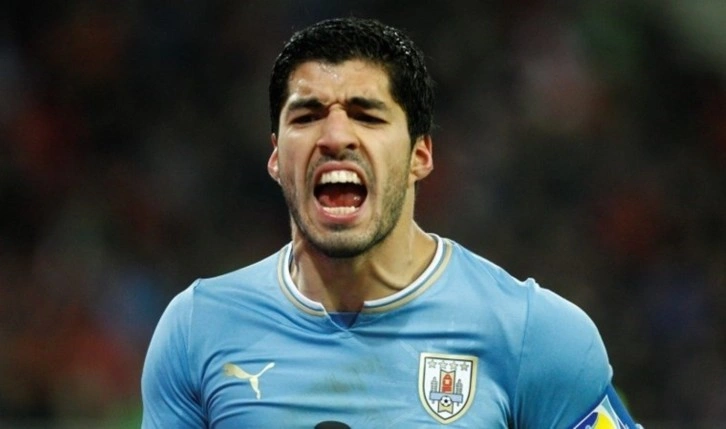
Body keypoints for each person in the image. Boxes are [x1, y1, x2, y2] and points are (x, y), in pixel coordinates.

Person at [141, 17, 643, 428]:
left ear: (419, 155)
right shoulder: (197, 330)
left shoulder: (533, 335)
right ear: (275, 157)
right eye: (307, 116)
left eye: (367, 115)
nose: (335, 137)